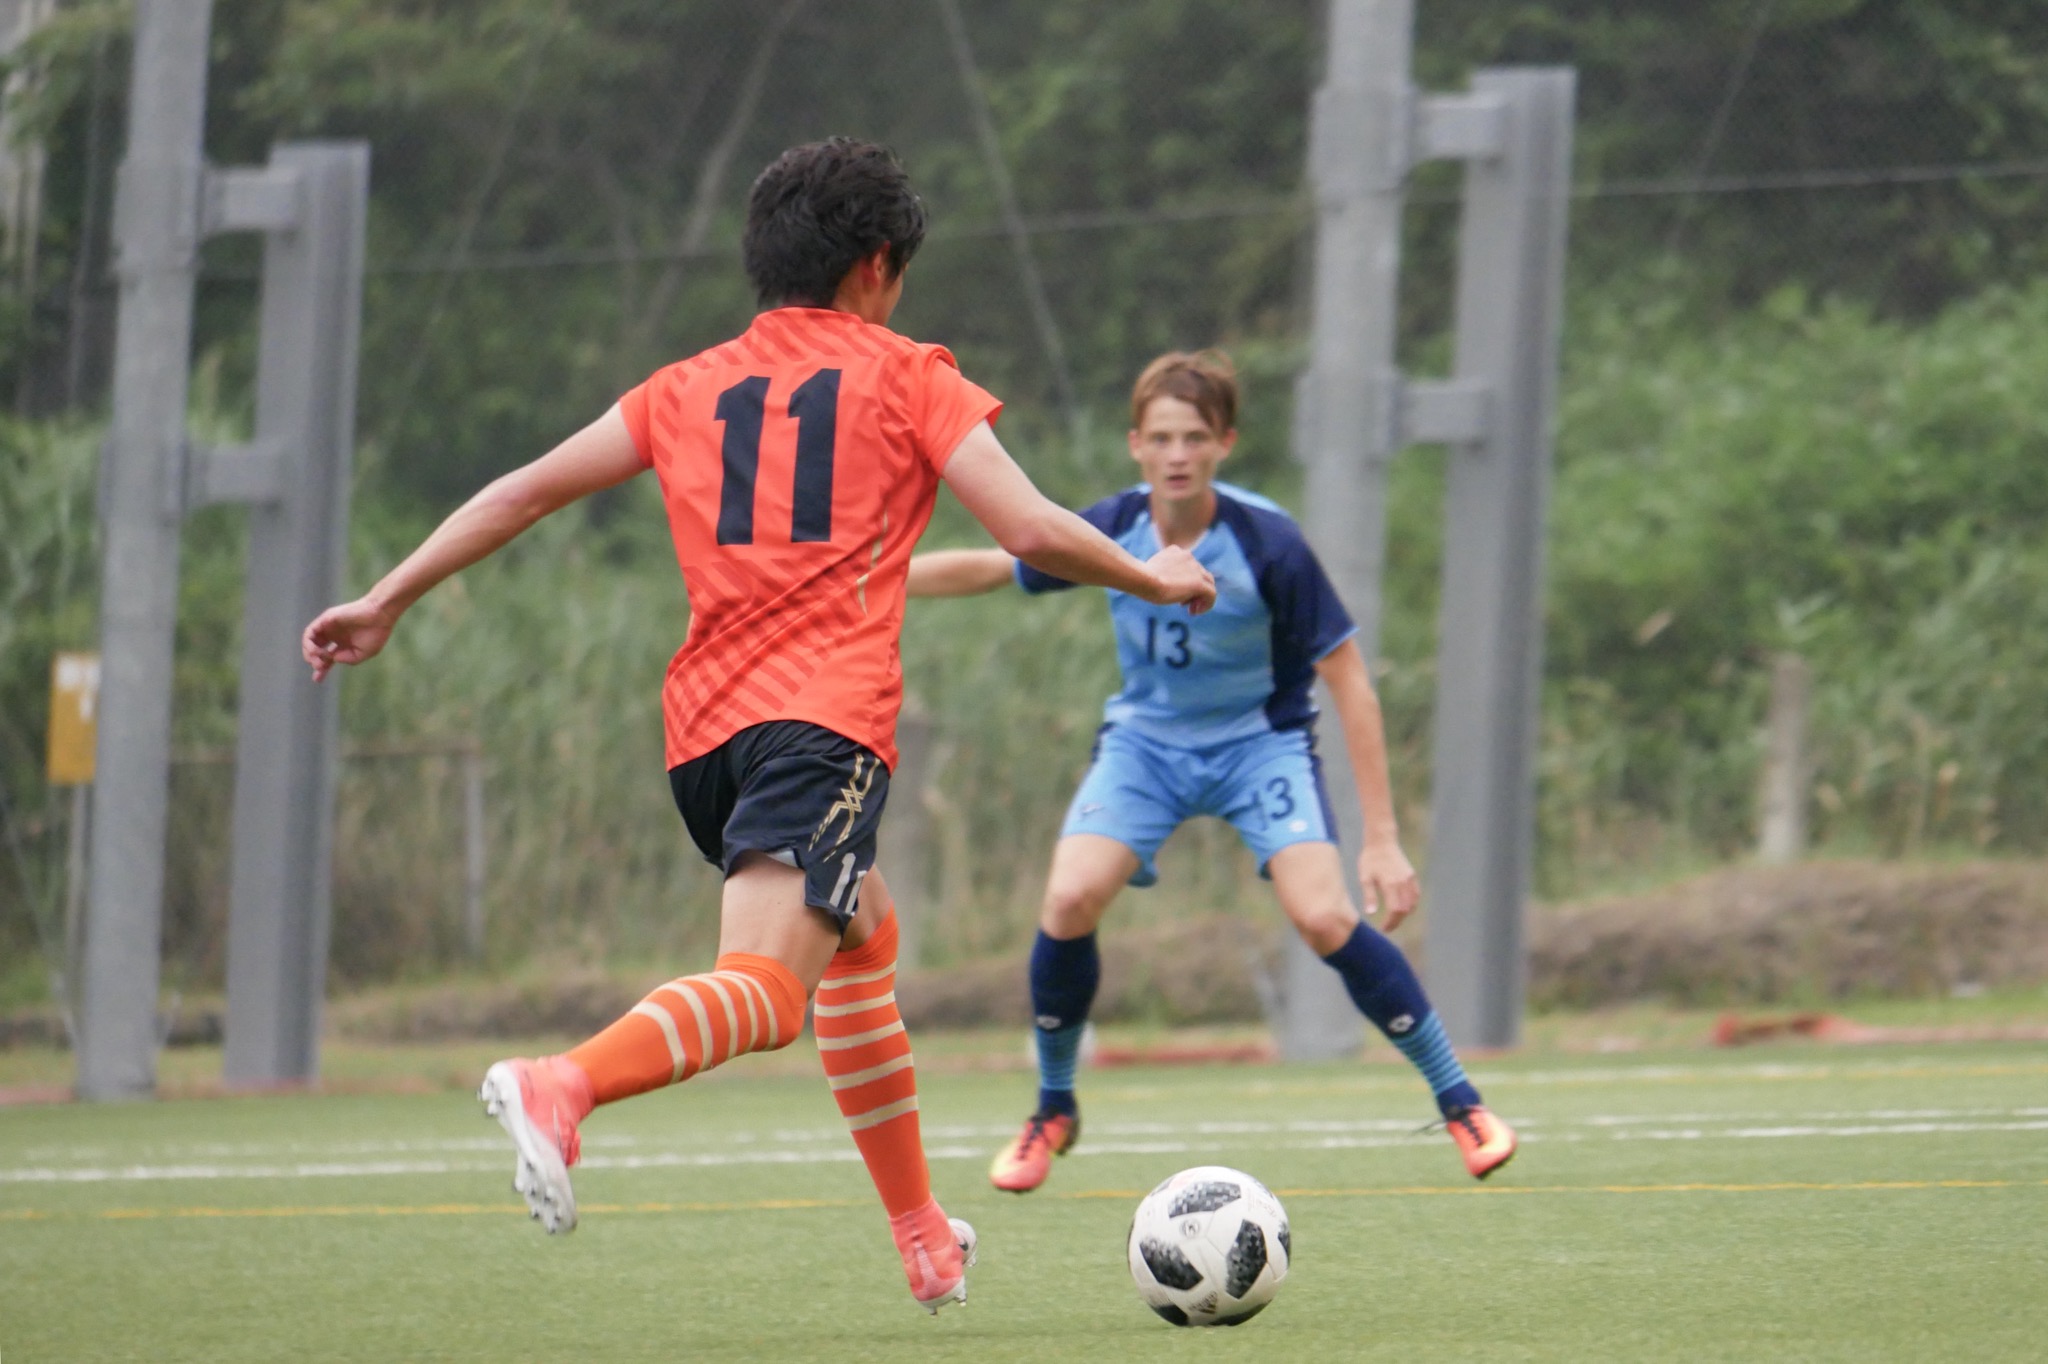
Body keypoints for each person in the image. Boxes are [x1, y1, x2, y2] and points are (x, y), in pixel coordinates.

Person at [300, 139, 1216, 1313]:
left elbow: (523, 490)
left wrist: (386, 597)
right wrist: (1153, 575)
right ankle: (560, 1082)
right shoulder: (908, 373)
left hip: (704, 741)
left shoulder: (682, 386)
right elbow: (1029, 527)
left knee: (861, 932)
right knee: (769, 994)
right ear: (876, 263)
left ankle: (922, 1232)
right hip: (819, 724)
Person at [905, 350, 1517, 1194]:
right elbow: (996, 566)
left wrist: (1382, 838)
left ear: (1225, 443)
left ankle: (1461, 1103)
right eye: (1160, 438)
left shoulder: (1270, 544)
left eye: (1195, 437)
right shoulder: (1113, 527)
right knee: (1070, 899)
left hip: (1258, 745)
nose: (1177, 454)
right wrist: (875, 579)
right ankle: (1053, 1107)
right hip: (1146, 746)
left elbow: (1350, 684)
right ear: (1135, 445)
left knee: (1324, 917)